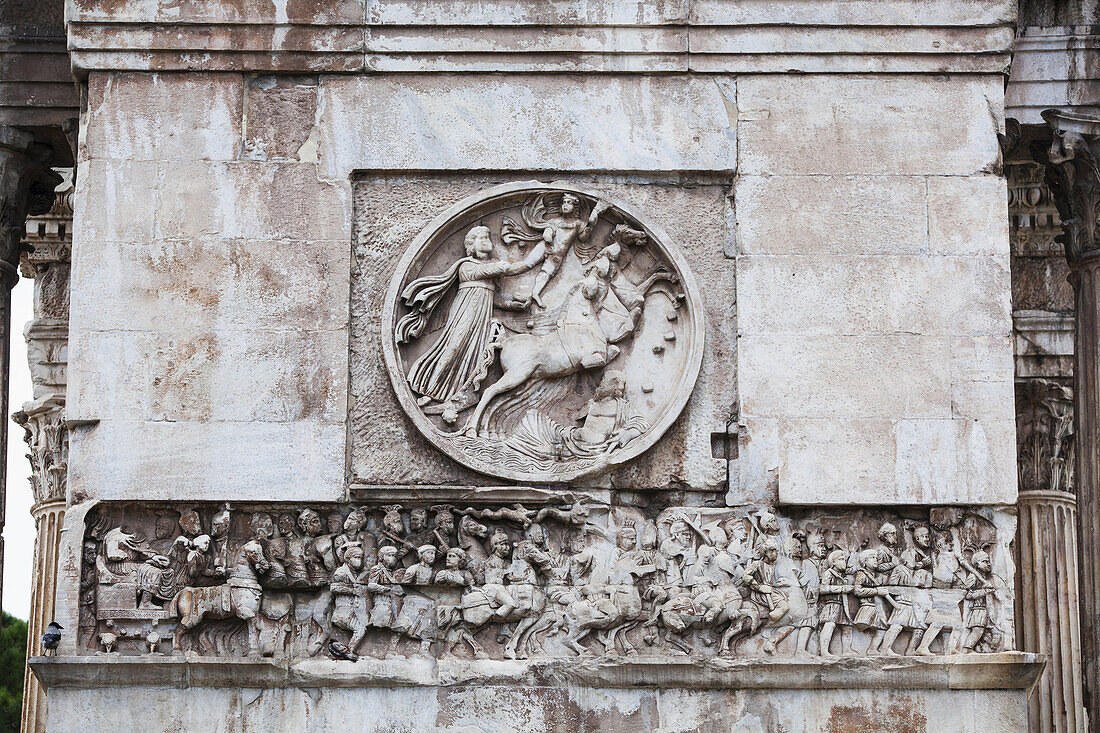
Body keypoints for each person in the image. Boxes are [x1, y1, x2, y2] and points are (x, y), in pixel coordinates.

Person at [396, 225, 545, 424]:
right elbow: (507, 269)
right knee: (452, 348)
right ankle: (429, 391)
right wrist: (536, 256)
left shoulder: (488, 272)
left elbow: (492, 298)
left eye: (487, 237)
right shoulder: (466, 266)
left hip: (481, 319)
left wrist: (512, 304)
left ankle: (455, 397)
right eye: (481, 238)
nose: (486, 241)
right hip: (465, 314)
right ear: (470, 246)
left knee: (472, 357)